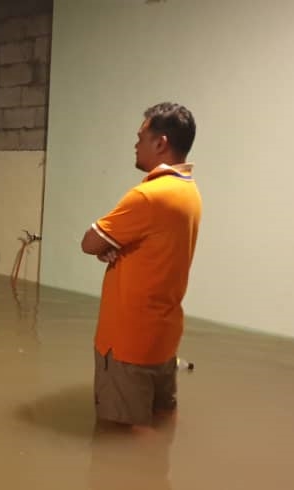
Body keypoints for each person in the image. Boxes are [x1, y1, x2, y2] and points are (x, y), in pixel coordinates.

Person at [79, 102, 202, 429]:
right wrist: (114, 247)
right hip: (163, 338)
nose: (135, 145)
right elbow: (150, 247)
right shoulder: (189, 191)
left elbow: (90, 242)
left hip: (126, 343)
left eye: (140, 137)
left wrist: (105, 247)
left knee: (117, 441)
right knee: (159, 426)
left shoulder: (149, 196)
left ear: (160, 143)